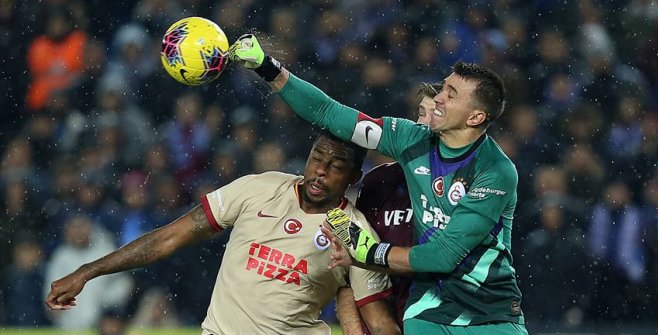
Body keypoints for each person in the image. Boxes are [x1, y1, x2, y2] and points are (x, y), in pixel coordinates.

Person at [229, 34, 527, 334]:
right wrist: (267, 67)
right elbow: (329, 113)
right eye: (443, 88)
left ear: (476, 117)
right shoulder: (411, 138)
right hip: (429, 310)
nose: (438, 98)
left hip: (493, 311)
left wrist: (368, 253)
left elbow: (443, 256)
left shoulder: (496, 171)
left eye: (451, 94)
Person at [45, 131, 400, 335]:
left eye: (336, 167)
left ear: (353, 178)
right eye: (316, 159)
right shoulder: (258, 189)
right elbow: (169, 237)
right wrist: (87, 271)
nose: (320, 172)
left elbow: (377, 322)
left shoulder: (355, 232)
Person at [335, 82, 442, 333]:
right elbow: (350, 269)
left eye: (434, 114)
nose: (421, 123)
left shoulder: (468, 184)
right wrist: (354, 329)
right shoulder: (379, 181)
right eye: (420, 112)